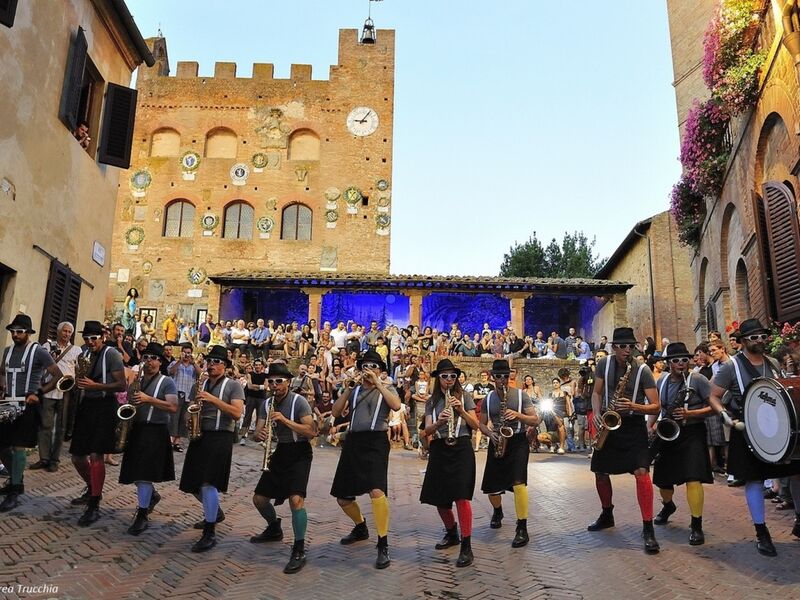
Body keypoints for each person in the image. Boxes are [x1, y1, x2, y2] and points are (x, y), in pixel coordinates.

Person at [707, 318, 800, 556]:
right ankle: (761, 532)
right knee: (755, 479)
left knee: (797, 471)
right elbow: (713, 396)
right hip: (747, 428)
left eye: (762, 336)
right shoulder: (732, 366)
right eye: (754, 337)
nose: (760, 341)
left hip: (778, 428)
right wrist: (725, 417)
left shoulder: (772, 362)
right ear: (742, 341)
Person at [588, 327, 662, 554]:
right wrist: (598, 413)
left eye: (631, 346)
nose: (627, 350)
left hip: (633, 424)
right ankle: (607, 513)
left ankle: (648, 528)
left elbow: (656, 406)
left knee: (642, 472)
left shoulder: (643, 370)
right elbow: (596, 392)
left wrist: (634, 406)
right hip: (609, 423)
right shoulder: (603, 364)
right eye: (622, 346)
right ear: (613, 347)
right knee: (600, 471)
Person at [330, 350, 402, 569]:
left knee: (376, 490)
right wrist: (348, 389)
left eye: (373, 366)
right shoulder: (354, 390)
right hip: (353, 442)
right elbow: (335, 411)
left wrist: (378, 384)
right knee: (342, 496)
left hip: (376, 442)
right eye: (365, 366)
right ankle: (360, 526)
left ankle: (383, 543)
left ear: (380, 371)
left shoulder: (387, 389)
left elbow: (396, 406)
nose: (368, 370)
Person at [249, 362, 316, 573]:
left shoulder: (299, 402)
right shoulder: (266, 403)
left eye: (279, 381)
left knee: (296, 500)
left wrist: (285, 421)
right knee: (259, 499)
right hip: (280, 452)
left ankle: (299, 548)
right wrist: (257, 435)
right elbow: (257, 431)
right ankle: (274, 527)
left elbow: (311, 431)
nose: (274, 385)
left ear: (288, 382)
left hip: (300, 452)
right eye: (271, 381)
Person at [179, 345, 244, 552]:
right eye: (209, 362)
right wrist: (189, 419)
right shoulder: (200, 384)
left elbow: (236, 413)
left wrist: (213, 400)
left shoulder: (233, 386)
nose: (212, 365)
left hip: (221, 436)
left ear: (225, 365)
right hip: (200, 435)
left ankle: (209, 532)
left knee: (209, 482)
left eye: (216, 362)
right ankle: (214, 512)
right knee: (191, 483)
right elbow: (190, 407)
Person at [648, 342, 714, 545]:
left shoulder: (699, 379)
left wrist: (690, 413)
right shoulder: (662, 381)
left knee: (693, 477)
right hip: (668, 432)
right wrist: (650, 426)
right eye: (676, 360)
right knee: (663, 480)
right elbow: (657, 407)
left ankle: (696, 525)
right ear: (668, 363)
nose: (681, 363)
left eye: (684, 360)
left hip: (692, 432)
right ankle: (668, 506)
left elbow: (715, 406)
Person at [419, 359, 479, 567]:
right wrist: (439, 422)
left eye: (453, 376)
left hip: (461, 446)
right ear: (438, 378)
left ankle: (467, 546)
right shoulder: (431, 402)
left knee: (462, 496)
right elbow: (426, 431)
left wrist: (460, 410)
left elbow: (476, 425)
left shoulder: (466, 397)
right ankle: (452, 532)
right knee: (440, 498)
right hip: (440, 447)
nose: (449, 380)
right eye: (444, 376)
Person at [0, 314, 61, 511]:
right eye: (13, 331)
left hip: (27, 404)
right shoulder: (8, 351)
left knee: (18, 447)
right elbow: (2, 372)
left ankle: (15, 490)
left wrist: (39, 392)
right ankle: (15, 477)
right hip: (8, 403)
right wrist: (1, 387)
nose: (16, 335)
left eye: (20, 331)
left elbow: (57, 374)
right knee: (2, 447)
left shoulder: (39, 351)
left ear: (28, 333)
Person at [68, 320, 126, 524]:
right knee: (77, 457)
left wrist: (96, 386)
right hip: (86, 407)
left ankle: (94, 504)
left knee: (96, 455)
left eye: (93, 338)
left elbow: (121, 385)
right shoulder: (83, 355)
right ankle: (93, 488)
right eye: (86, 338)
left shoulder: (111, 354)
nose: (90, 342)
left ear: (102, 336)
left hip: (104, 406)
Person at [478, 359, 539, 547]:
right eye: (499, 376)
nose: (503, 380)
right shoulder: (488, 398)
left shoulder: (521, 396)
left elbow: (535, 420)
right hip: (498, 440)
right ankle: (498, 511)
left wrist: (518, 415)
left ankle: (522, 528)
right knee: (491, 488)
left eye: (506, 376)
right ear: (492, 376)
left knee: (519, 483)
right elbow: (481, 423)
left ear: (511, 376)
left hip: (518, 441)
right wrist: (490, 434)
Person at [119, 343, 178, 535]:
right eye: (146, 358)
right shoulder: (138, 380)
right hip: (137, 428)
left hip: (156, 430)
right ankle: (151, 496)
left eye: (153, 358)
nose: (149, 361)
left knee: (143, 474)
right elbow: (130, 402)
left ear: (160, 362)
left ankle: (142, 514)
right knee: (135, 472)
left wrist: (148, 399)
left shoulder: (167, 382)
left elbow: (172, 407)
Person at [32, 321, 83, 472]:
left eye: (69, 332)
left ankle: (54, 460)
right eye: (64, 331)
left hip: (65, 392)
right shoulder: (47, 346)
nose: (66, 334)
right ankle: (44, 458)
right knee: (45, 425)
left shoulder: (76, 350)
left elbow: (79, 369)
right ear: (59, 331)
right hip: (49, 390)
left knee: (61, 427)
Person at [168, 343, 200, 452]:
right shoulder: (175, 363)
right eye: (185, 353)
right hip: (177, 393)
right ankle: (170, 440)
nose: (187, 355)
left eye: (189, 353)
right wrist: (179, 361)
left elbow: (201, 375)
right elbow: (171, 372)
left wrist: (194, 363)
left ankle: (177, 442)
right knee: (174, 418)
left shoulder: (193, 366)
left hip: (188, 395)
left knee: (184, 419)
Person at [241, 358, 268, 445]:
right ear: (254, 366)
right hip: (251, 397)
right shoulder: (250, 374)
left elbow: (265, 386)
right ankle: (243, 436)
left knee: (260, 417)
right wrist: (259, 387)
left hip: (261, 398)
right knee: (247, 416)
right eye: (256, 365)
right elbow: (249, 386)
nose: (257, 366)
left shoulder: (265, 375)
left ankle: (258, 437)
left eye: (259, 365)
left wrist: (255, 386)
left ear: (262, 366)